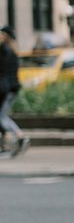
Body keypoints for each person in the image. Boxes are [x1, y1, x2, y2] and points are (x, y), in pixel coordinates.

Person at [0, 25, 29, 157]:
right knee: (2, 116)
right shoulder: (12, 50)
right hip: (12, 87)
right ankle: (11, 140)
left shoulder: (4, 51)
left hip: (8, 88)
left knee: (1, 117)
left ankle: (18, 136)